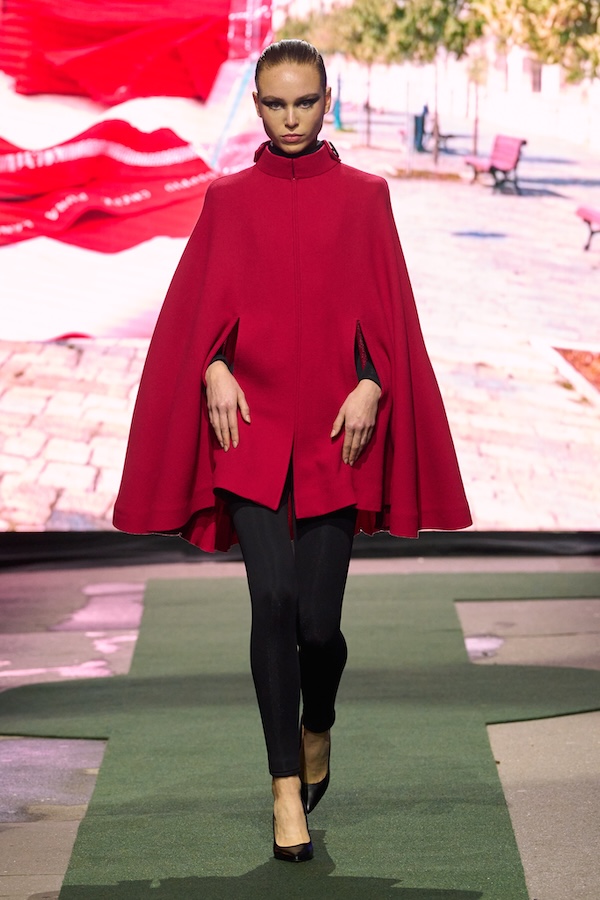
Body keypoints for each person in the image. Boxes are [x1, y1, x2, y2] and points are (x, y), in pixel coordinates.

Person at [113, 40, 471, 864]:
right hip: (250, 431)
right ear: (257, 106)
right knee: (272, 601)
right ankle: (284, 789)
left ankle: (320, 723)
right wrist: (212, 369)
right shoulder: (228, 200)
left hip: (338, 435)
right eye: (275, 104)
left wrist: (374, 384)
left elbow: (391, 315)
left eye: (304, 101)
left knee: (318, 627)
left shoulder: (368, 198)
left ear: (326, 98)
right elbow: (196, 312)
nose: (290, 118)